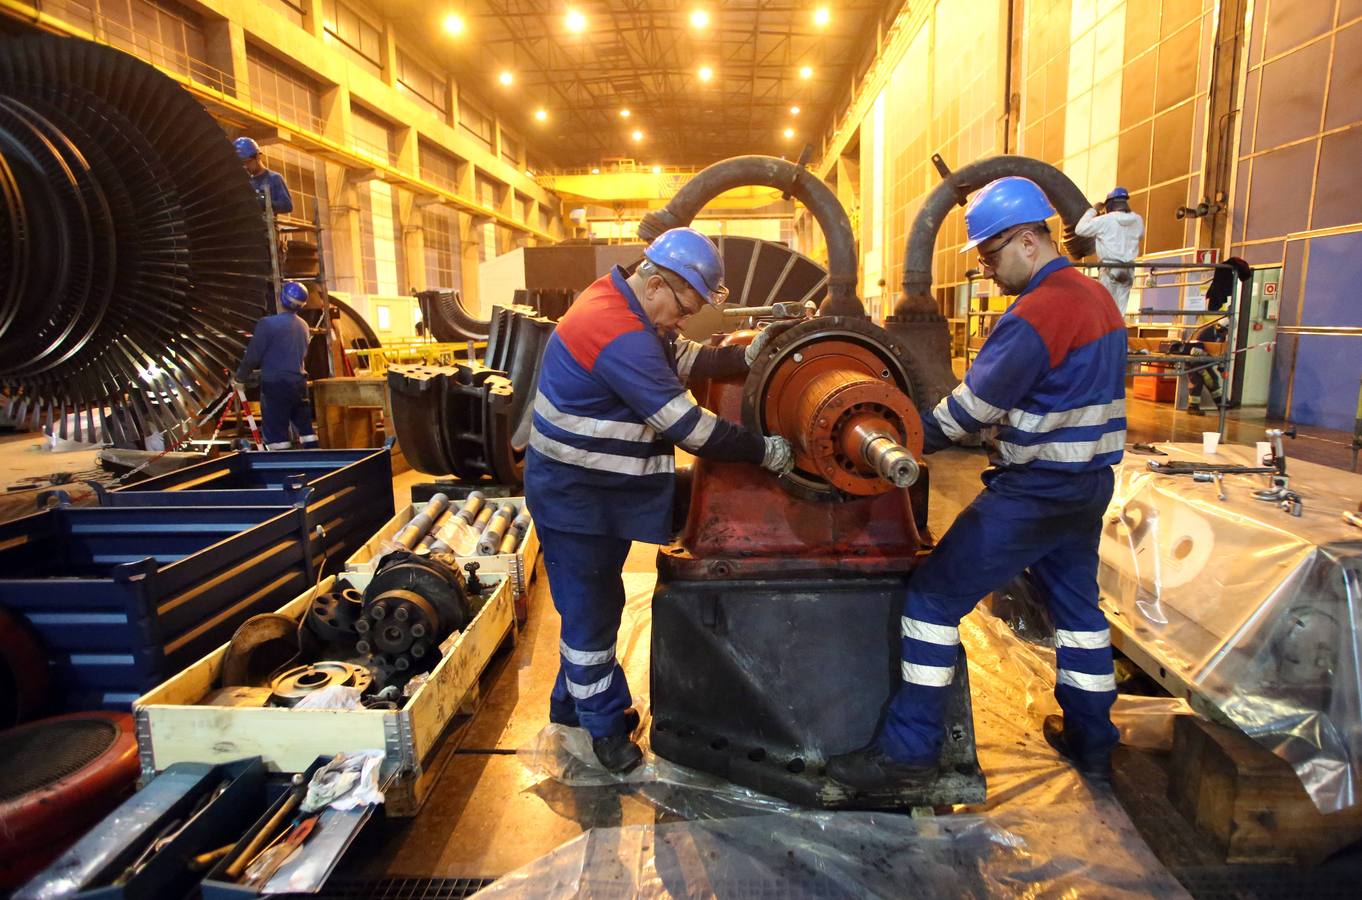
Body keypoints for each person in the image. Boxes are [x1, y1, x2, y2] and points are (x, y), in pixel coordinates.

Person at [826, 176, 1128, 790]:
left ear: (1026, 241)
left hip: (1036, 492)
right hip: (1088, 485)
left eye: (990, 255)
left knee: (933, 599)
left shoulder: (1040, 312)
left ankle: (908, 753)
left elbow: (969, 411)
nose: (987, 270)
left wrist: (896, 444)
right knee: (1077, 613)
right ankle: (1094, 741)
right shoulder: (1096, 298)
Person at [524, 227, 795, 773]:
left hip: (598, 491)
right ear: (655, 286)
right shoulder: (617, 331)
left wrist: (750, 354)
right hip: (578, 501)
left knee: (590, 607)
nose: (682, 321)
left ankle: (569, 704)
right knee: (591, 615)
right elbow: (688, 428)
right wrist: (764, 451)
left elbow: (681, 356)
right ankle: (605, 730)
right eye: (683, 308)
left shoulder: (623, 302)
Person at [234, 281, 318, 450]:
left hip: (276, 386)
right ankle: (315, 462)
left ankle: (282, 470)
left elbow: (252, 356)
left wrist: (240, 377)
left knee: (277, 436)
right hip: (298, 383)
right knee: (306, 429)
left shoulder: (267, 324)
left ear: (281, 298)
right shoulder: (303, 326)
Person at [1075, 186, 1143, 314]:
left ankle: (1109, 333)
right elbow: (1139, 235)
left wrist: (1093, 211)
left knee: (1106, 311)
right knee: (1120, 313)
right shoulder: (1137, 220)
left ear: (1110, 204)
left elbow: (1080, 229)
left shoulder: (1105, 220)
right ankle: (1120, 333)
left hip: (1109, 268)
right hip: (1128, 269)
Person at [234, 137, 293, 216]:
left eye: (247, 162)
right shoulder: (245, 183)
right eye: (242, 164)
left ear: (258, 157)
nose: (245, 166)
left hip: (267, 227)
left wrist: (266, 204)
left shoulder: (274, 178)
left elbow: (287, 206)